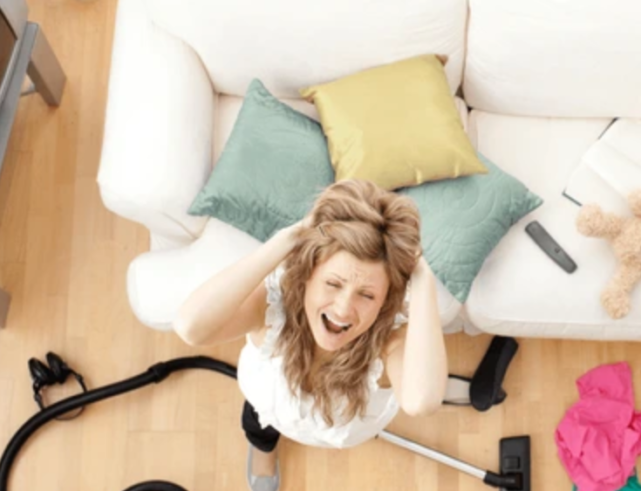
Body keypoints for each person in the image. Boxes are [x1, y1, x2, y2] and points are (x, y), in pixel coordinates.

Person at [173, 180, 448, 491]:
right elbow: (191, 327)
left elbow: (422, 401)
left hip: (341, 432)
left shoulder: (391, 341)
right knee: (257, 424)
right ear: (307, 275)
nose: (344, 309)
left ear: (385, 300)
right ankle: (265, 447)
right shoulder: (272, 307)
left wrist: (422, 276)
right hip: (268, 405)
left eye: (367, 295)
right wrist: (289, 238)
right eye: (333, 284)